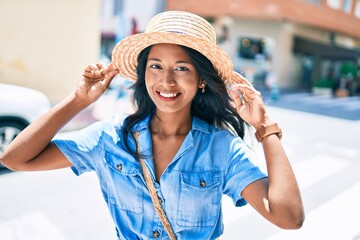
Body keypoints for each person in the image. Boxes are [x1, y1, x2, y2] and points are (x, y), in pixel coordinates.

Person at [0, 11, 304, 239]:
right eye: (156, 65)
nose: (166, 80)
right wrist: (79, 101)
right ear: (144, 74)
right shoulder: (111, 137)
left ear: (201, 80)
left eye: (182, 68)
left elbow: (289, 218)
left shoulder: (220, 148)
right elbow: (14, 158)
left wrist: (265, 127)